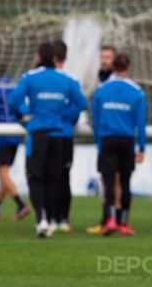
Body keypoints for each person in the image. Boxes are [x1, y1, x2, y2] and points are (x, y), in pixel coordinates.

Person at [9, 42, 86, 238]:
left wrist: (26, 115)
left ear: (38, 56)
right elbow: (81, 103)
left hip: (38, 134)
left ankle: (42, 218)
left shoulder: (30, 77)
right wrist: (62, 116)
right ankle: (51, 220)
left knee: (35, 177)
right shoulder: (66, 79)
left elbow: (13, 101)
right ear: (55, 58)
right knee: (54, 179)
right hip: (58, 135)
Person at [92, 53, 147, 237]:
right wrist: (141, 148)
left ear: (113, 68)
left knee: (108, 183)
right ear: (129, 68)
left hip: (107, 140)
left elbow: (96, 121)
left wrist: (99, 144)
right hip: (126, 141)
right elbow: (140, 124)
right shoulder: (137, 91)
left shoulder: (101, 89)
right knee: (124, 182)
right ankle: (123, 224)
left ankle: (109, 220)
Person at [0, 62, 31, 221]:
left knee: (2, 172)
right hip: (14, 136)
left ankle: (21, 204)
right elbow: (24, 110)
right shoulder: (14, 87)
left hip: (0, 135)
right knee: (4, 173)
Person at [49, 40, 87, 233]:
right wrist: (67, 118)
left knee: (54, 177)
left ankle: (53, 218)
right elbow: (80, 104)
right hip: (63, 135)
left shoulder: (65, 79)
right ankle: (61, 219)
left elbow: (81, 103)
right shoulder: (70, 79)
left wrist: (62, 117)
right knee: (62, 177)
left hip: (51, 134)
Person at [86, 44, 123, 235]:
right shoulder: (99, 78)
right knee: (107, 180)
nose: (104, 60)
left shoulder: (116, 80)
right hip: (105, 135)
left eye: (108, 57)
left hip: (116, 136)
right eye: (102, 57)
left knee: (115, 180)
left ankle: (114, 219)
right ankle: (110, 219)